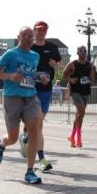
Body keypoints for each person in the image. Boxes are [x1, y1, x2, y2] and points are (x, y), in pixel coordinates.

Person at [0, 26, 43, 184]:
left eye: (31, 35)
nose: (29, 37)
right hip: (12, 97)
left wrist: (40, 78)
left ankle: (29, 172)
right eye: (25, 35)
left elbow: (31, 74)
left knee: (34, 130)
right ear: (19, 37)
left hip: (30, 96)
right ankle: (2, 145)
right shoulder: (10, 54)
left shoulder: (35, 56)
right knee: (13, 138)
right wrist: (10, 75)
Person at [26, 21, 62, 171]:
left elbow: (58, 64)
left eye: (44, 30)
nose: (42, 32)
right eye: (39, 30)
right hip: (30, 90)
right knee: (36, 124)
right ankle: (41, 159)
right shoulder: (29, 47)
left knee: (38, 125)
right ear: (34, 31)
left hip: (46, 90)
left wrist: (55, 64)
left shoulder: (52, 47)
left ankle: (27, 138)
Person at [62, 45, 96, 148]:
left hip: (85, 91)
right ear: (77, 53)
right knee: (81, 111)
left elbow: (92, 79)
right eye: (81, 50)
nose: (83, 52)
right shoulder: (73, 64)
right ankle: (79, 138)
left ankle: (72, 136)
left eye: (85, 50)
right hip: (75, 91)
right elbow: (64, 74)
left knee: (79, 115)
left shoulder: (89, 65)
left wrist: (91, 76)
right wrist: (71, 80)